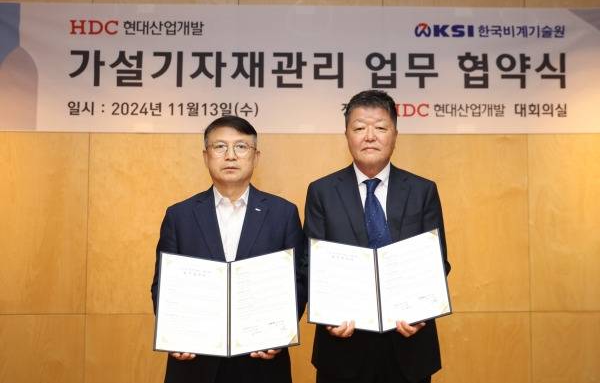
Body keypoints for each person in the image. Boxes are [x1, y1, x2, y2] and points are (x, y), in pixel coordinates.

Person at [304, 90, 451, 383]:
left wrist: (421, 310)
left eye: (381, 128)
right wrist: (328, 314)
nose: (369, 137)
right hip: (342, 347)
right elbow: (311, 265)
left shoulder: (422, 191)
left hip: (409, 344)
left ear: (395, 134)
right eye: (359, 128)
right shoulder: (322, 191)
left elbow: (438, 263)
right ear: (346, 134)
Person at [151, 115, 306, 383]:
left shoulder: (283, 213)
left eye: (241, 147)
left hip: (262, 363)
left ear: (256, 157)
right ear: (206, 156)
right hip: (195, 363)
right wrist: (175, 334)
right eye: (220, 146)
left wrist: (280, 334)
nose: (230, 156)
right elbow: (162, 285)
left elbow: (298, 282)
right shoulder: (179, 216)